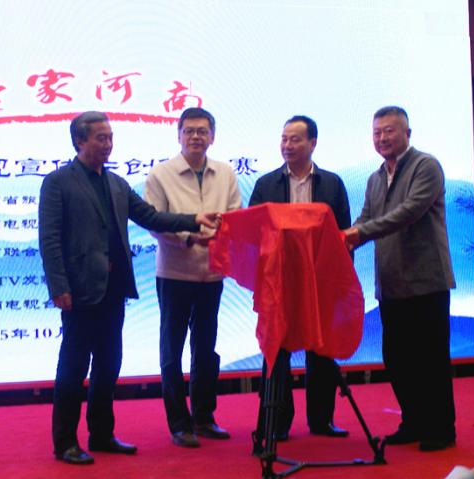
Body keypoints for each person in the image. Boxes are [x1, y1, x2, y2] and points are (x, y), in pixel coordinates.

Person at [38, 111, 220, 465]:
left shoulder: (116, 183)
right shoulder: (58, 182)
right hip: (79, 290)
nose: (108, 144)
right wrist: (59, 286)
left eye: (110, 137)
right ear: (79, 141)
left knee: (109, 364)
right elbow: (50, 240)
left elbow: (150, 216)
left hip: (113, 288)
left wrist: (193, 219)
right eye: (100, 138)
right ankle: (65, 442)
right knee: (73, 367)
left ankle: (101, 434)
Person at [343, 105, 457, 452]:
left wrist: (357, 233)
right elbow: (365, 219)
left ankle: (440, 429)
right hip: (391, 283)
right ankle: (413, 422)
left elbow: (408, 213)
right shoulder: (376, 177)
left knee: (431, 359)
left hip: (426, 281)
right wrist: (341, 241)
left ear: (407, 133)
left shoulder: (426, 166)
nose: (382, 138)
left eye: (389, 131)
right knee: (397, 359)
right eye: (377, 132)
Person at [248, 115, 351, 440]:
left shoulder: (332, 184)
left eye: (295, 139)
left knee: (321, 349)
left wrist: (338, 280)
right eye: (284, 139)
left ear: (312, 143)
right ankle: (277, 422)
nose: (287, 145)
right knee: (277, 349)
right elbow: (253, 233)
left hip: (320, 281)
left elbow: (344, 235)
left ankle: (321, 420)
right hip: (279, 282)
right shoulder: (266, 184)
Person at [144, 107, 242, 448]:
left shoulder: (225, 172)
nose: (196, 136)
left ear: (212, 136)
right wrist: (189, 237)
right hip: (174, 272)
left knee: (206, 348)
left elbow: (234, 215)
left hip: (212, 273)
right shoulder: (161, 174)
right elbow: (154, 221)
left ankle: (204, 417)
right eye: (189, 131)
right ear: (179, 135)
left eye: (202, 131)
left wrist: (218, 236)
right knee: (172, 350)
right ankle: (178, 423)